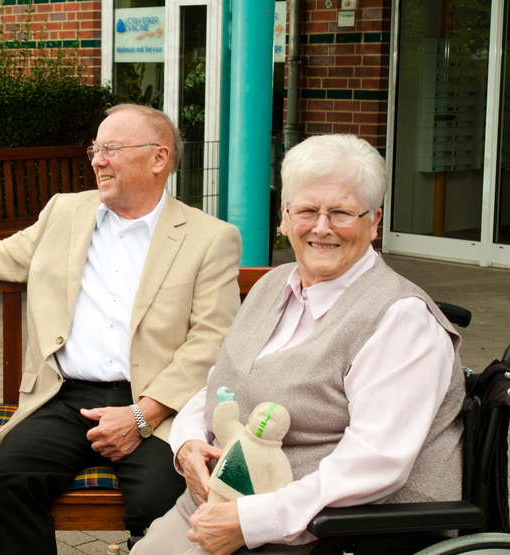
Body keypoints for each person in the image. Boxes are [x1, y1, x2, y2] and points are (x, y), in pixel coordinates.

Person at [0, 104, 243, 554]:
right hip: (65, 396)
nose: (97, 160)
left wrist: (142, 415)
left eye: (111, 148)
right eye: (96, 148)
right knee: (5, 481)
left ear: (158, 158)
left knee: (163, 497)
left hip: (157, 404)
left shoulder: (209, 237)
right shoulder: (66, 212)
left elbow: (211, 339)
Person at [131, 134, 465, 555]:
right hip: (217, 504)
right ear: (285, 218)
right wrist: (189, 442)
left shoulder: (402, 321)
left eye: (342, 212)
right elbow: (219, 385)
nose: (322, 227)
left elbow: (376, 464)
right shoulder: (272, 285)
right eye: (307, 210)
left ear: (374, 222)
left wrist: (252, 521)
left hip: (329, 534)